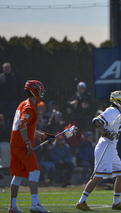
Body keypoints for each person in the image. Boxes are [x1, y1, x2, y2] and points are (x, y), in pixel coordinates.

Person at [76, 90, 121, 211]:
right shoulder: (112, 111)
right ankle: (81, 201)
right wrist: (106, 132)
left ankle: (116, 203)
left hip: (112, 148)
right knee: (98, 177)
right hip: (105, 147)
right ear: (118, 101)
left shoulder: (118, 112)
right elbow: (96, 121)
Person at [8, 80, 56, 213]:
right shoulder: (29, 106)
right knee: (35, 171)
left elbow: (26, 128)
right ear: (34, 90)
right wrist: (27, 142)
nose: (42, 92)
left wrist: (42, 136)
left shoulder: (23, 104)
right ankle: (35, 204)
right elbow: (22, 124)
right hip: (21, 145)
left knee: (17, 175)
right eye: (40, 90)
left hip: (15, 144)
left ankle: (12, 206)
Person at [0, 62, 23, 128]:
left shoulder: (15, 77)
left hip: (13, 100)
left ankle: (12, 129)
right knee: (4, 115)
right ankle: (4, 128)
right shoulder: (0, 77)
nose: (7, 69)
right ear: (3, 69)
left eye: (8, 68)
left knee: (13, 115)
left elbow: (19, 88)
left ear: (10, 68)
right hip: (3, 100)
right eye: (6, 68)